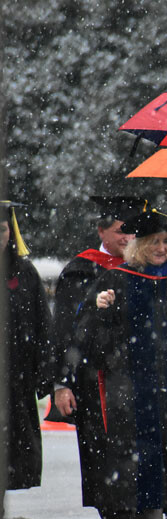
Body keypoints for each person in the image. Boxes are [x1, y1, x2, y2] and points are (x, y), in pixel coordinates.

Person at [76, 210, 167, 519]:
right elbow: (90, 335)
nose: (161, 248)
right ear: (139, 244)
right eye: (154, 241)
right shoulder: (118, 279)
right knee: (135, 462)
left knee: (163, 461)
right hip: (130, 389)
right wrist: (100, 308)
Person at [52, 195, 145, 519]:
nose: (127, 238)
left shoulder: (144, 269)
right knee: (104, 459)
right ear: (101, 230)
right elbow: (65, 332)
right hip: (95, 386)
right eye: (122, 231)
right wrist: (63, 382)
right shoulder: (82, 270)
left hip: (134, 382)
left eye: (133, 232)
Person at [1, 201, 52, 491]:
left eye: (2, 230)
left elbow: (42, 325)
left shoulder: (24, 272)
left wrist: (43, 373)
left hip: (14, 378)